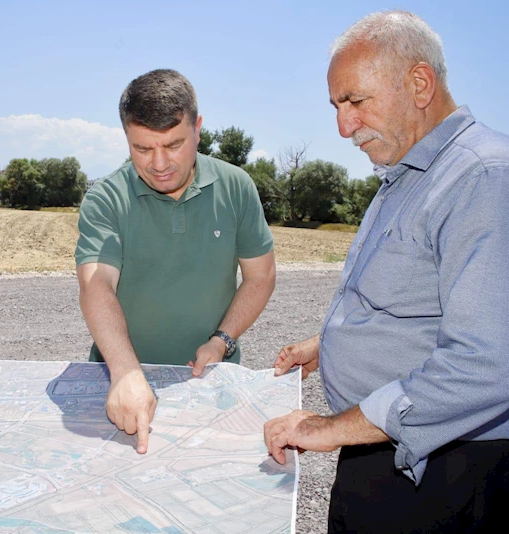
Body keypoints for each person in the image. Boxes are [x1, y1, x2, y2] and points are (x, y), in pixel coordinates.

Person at [264, 11, 509, 533]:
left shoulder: (484, 178)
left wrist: (331, 428)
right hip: (381, 450)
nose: (343, 126)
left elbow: (490, 362)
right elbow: (409, 300)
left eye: (355, 101)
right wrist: (325, 343)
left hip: (446, 469)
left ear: (420, 83)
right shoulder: (406, 175)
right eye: (336, 106)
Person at [76, 69, 276, 454]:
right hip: (120, 383)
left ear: (198, 129)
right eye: (143, 148)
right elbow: (96, 284)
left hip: (212, 380)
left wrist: (222, 341)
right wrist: (126, 371)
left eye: (173, 144)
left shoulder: (236, 187)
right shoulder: (105, 197)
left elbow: (261, 275)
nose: (159, 163)